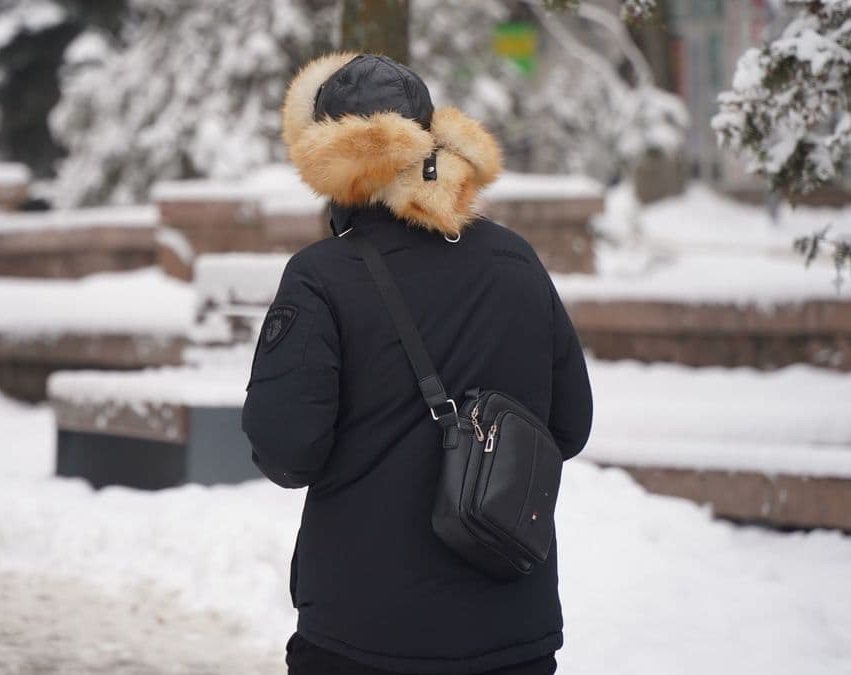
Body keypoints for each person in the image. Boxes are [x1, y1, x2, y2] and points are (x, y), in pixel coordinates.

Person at [242, 53, 593, 675]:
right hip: (513, 628)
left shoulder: (320, 278)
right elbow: (569, 424)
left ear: (329, 156)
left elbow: (286, 452)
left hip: (362, 633)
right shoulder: (515, 260)